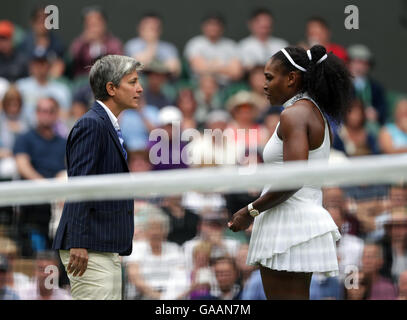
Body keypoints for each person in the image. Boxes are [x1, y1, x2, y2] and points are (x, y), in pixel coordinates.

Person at [228, 45, 353, 299]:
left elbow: (293, 179)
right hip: (301, 218)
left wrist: (250, 210)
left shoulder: (294, 115)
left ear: (292, 78)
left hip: (287, 221)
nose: (264, 85)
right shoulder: (314, 112)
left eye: (269, 77)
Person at [52, 55, 143, 300]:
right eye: (132, 82)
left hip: (105, 245)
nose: (140, 88)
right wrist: (78, 243)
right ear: (111, 88)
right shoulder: (92, 125)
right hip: (88, 247)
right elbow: (81, 185)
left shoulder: (106, 125)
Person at [13, 97, 67, 257]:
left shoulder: (64, 142)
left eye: (50, 111)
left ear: (56, 114)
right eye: (42, 110)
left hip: (59, 197)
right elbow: (22, 166)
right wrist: (44, 185)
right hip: (35, 198)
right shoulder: (25, 138)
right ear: (36, 113)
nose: (46, 115)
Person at [184, 13, 243, 86]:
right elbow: (198, 68)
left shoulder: (231, 45)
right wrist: (225, 68)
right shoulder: (195, 43)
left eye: (216, 25)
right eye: (210, 25)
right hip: (200, 85)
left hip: (227, 85)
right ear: (203, 27)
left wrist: (210, 66)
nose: (213, 28)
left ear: (222, 28)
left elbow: (237, 72)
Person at [69, 6, 123, 79]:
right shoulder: (80, 43)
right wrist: (83, 42)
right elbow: (71, 59)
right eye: (90, 24)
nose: (94, 28)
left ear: (104, 23)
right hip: (84, 81)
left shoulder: (114, 43)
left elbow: (118, 64)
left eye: (97, 24)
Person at [124, 12, 181, 77]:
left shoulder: (168, 47)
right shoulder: (132, 44)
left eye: (154, 28)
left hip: (163, 83)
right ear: (140, 28)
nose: (150, 31)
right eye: (147, 27)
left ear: (160, 30)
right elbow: (138, 65)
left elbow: (175, 69)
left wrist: (152, 67)